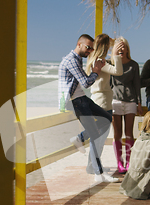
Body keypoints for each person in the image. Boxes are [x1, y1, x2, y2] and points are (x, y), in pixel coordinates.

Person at [58, 34, 118, 183]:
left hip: (81, 98)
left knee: (107, 118)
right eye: (88, 47)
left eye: (92, 48)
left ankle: (79, 138)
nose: (90, 50)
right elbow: (85, 82)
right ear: (79, 44)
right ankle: (99, 174)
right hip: (74, 101)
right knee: (96, 134)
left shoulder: (78, 59)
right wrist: (96, 71)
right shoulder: (71, 60)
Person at [73, 33, 123, 175]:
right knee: (99, 137)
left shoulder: (94, 59)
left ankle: (92, 165)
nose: (110, 49)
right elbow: (118, 71)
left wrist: (115, 46)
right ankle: (80, 139)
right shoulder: (99, 61)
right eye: (108, 47)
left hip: (103, 101)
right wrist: (116, 55)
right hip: (102, 103)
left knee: (99, 137)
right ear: (104, 47)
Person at [110, 37, 142, 174]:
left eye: (124, 47)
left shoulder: (134, 65)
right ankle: (119, 162)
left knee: (129, 133)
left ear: (128, 49)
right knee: (117, 133)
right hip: (115, 101)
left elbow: (137, 85)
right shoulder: (109, 63)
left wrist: (139, 102)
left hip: (130, 101)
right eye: (119, 46)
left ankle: (129, 161)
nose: (122, 49)